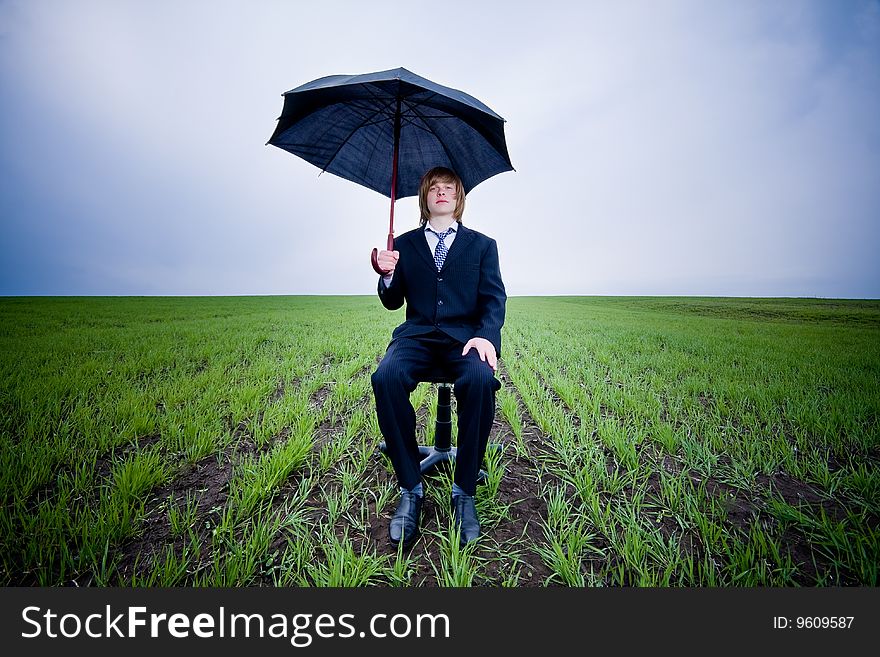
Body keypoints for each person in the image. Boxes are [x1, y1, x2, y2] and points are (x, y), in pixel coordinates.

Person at [371, 166, 506, 548]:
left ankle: (464, 491)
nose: (442, 192)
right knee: (385, 378)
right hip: (417, 338)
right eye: (435, 188)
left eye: (449, 188)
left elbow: (495, 299)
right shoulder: (407, 244)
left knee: (480, 380)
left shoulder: (482, 245)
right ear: (425, 197)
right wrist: (386, 274)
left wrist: (486, 337)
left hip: (465, 341)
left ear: (458, 198)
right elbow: (392, 301)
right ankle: (411, 487)